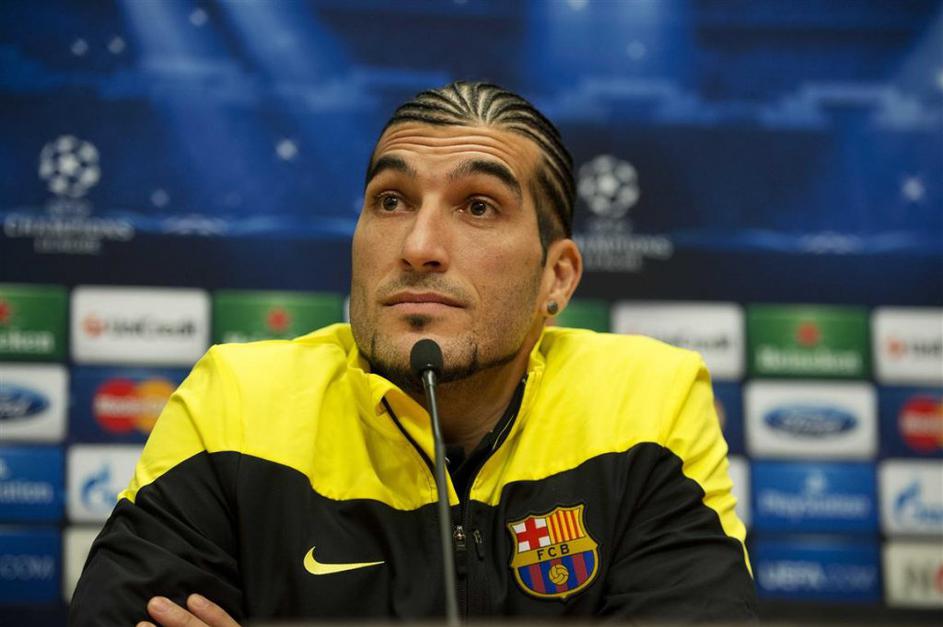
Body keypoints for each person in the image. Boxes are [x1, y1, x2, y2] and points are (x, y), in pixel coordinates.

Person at [70, 81, 757, 626]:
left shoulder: (646, 402)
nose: (418, 245)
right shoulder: (237, 402)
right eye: (391, 200)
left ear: (557, 277)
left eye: (478, 206)